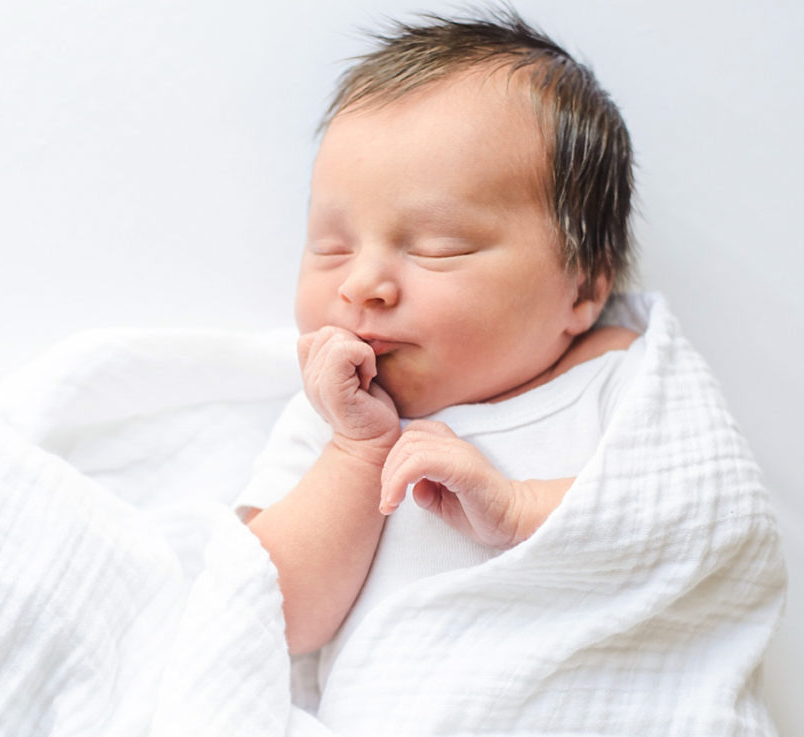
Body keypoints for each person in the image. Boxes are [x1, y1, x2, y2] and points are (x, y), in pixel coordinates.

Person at [237, 10, 643, 670]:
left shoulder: (619, 373)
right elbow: (277, 616)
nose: (363, 283)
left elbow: (684, 513)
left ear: (583, 289)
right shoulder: (330, 417)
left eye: (438, 248)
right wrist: (357, 449)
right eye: (330, 247)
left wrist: (519, 509)